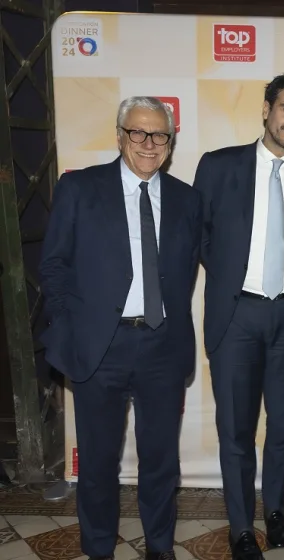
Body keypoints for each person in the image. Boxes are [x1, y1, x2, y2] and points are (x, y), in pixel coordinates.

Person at [39, 96, 201, 560]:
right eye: (138, 132)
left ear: (170, 141)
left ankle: (160, 547)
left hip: (163, 347)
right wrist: (71, 329)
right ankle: (99, 550)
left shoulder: (187, 199)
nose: (149, 143)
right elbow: (53, 265)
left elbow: (188, 268)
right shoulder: (79, 188)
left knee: (161, 461)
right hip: (99, 349)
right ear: (119, 135)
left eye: (160, 134)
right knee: (97, 463)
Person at [192, 73, 284, 560]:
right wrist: (235, 279)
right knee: (235, 431)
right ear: (266, 109)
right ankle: (240, 526)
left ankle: (275, 508)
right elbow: (200, 236)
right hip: (236, 316)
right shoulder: (218, 166)